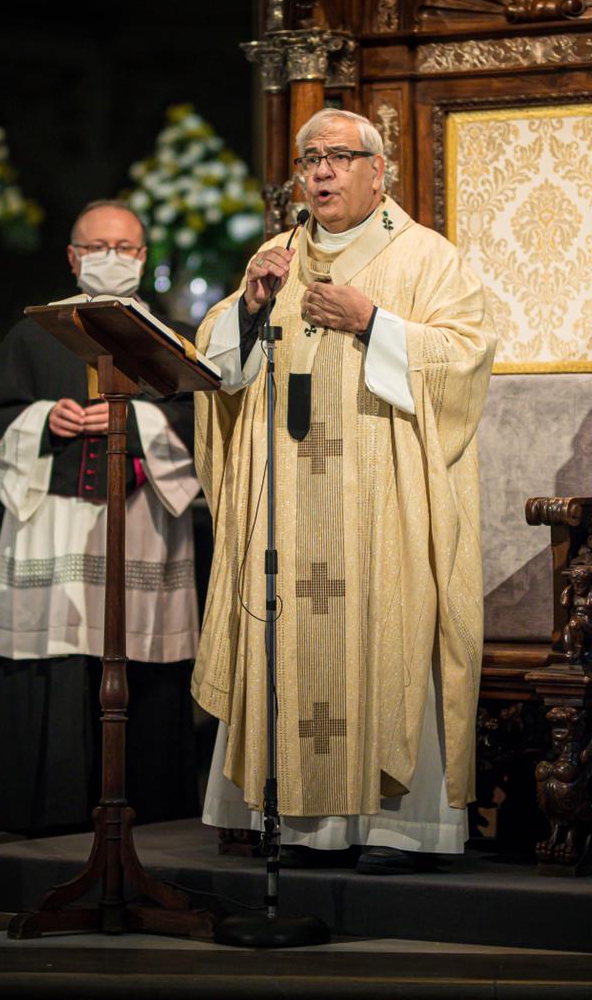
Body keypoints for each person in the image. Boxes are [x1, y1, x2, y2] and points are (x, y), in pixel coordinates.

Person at [193, 108, 497, 874]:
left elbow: (467, 360)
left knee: (388, 628)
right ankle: (296, 820)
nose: (321, 172)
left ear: (378, 171)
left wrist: (375, 324)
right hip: (286, 502)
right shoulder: (275, 256)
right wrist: (250, 308)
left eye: (338, 157)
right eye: (309, 160)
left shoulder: (425, 257)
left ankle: (398, 827)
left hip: (381, 498)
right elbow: (219, 371)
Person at [0, 199, 203, 836]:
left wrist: (140, 419)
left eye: (125, 248)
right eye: (98, 247)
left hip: (144, 525)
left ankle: (150, 815)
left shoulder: (168, 336)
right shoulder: (35, 333)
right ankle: (48, 811)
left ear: (143, 257)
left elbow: (203, 418)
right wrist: (44, 417)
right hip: (58, 520)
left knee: (142, 658)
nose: (112, 258)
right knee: (60, 655)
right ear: (73, 257)